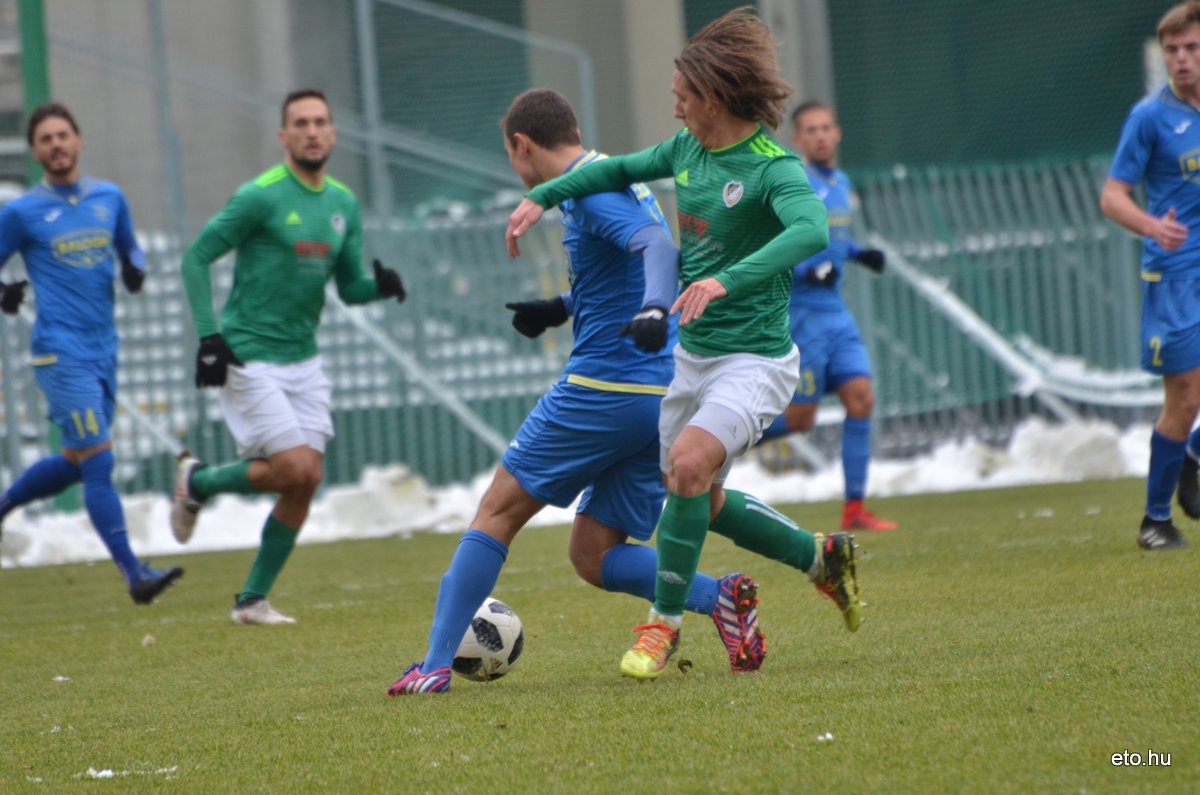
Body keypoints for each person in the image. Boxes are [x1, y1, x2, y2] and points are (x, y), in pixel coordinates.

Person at [506, 8, 864, 681]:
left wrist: (725, 279)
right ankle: (820, 557)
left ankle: (662, 625)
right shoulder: (686, 151)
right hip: (692, 358)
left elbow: (811, 230)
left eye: (683, 95)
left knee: (691, 466)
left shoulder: (773, 169)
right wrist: (543, 196)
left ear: (715, 97)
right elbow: (612, 170)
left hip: (755, 360)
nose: (675, 105)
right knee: (695, 492)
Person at [388, 88, 766, 696]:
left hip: (603, 387)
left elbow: (657, 247)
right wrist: (561, 307)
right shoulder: (606, 174)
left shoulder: (586, 191)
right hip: (658, 395)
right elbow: (626, 263)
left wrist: (651, 308)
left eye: (510, 154)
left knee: (497, 511)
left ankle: (432, 665)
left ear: (522, 145)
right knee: (593, 553)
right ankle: (719, 597)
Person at [172, 89, 407, 622]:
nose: (312, 131)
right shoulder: (259, 196)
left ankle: (250, 596)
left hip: (305, 358)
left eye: (321, 122)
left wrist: (380, 287)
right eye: (300, 123)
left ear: (333, 133)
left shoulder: (343, 203)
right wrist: (209, 337)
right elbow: (196, 258)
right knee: (295, 466)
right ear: (284, 136)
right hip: (249, 352)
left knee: (306, 478)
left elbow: (349, 288)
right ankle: (200, 483)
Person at [0, 102, 182, 603]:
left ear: (78, 141)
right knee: (99, 460)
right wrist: (4, 292)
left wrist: (135, 268)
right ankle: (134, 574)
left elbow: (130, 247)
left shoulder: (109, 197)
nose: (56, 145)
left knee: (76, 459)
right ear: (35, 151)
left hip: (105, 348)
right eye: (45, 139)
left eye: (63, 135)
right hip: (60, 352)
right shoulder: (21, 212)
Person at [756, 101, 897, 532]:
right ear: (797, 138)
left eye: (825, 128)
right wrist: (806, 270)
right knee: (801, 420)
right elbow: (775, 242)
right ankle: (713, 441)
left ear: (837, 133)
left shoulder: (841, 182)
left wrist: (858, 253)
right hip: (802, 314)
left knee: (862, 397)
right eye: (810, 130)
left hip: (835, 312)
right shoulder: (793, 182)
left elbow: (833, 238)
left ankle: (854, 509)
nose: (819, 136)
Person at [1100, 1, 1200, 551]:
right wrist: (1152, 226)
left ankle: (1192, 452)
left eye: (1192, 48)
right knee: (1185, 398)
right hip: (1175, 276)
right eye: (1172, 50)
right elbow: (1112, 196)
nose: (1181, 59)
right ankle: (1155, 522)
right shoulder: (1150, 117)